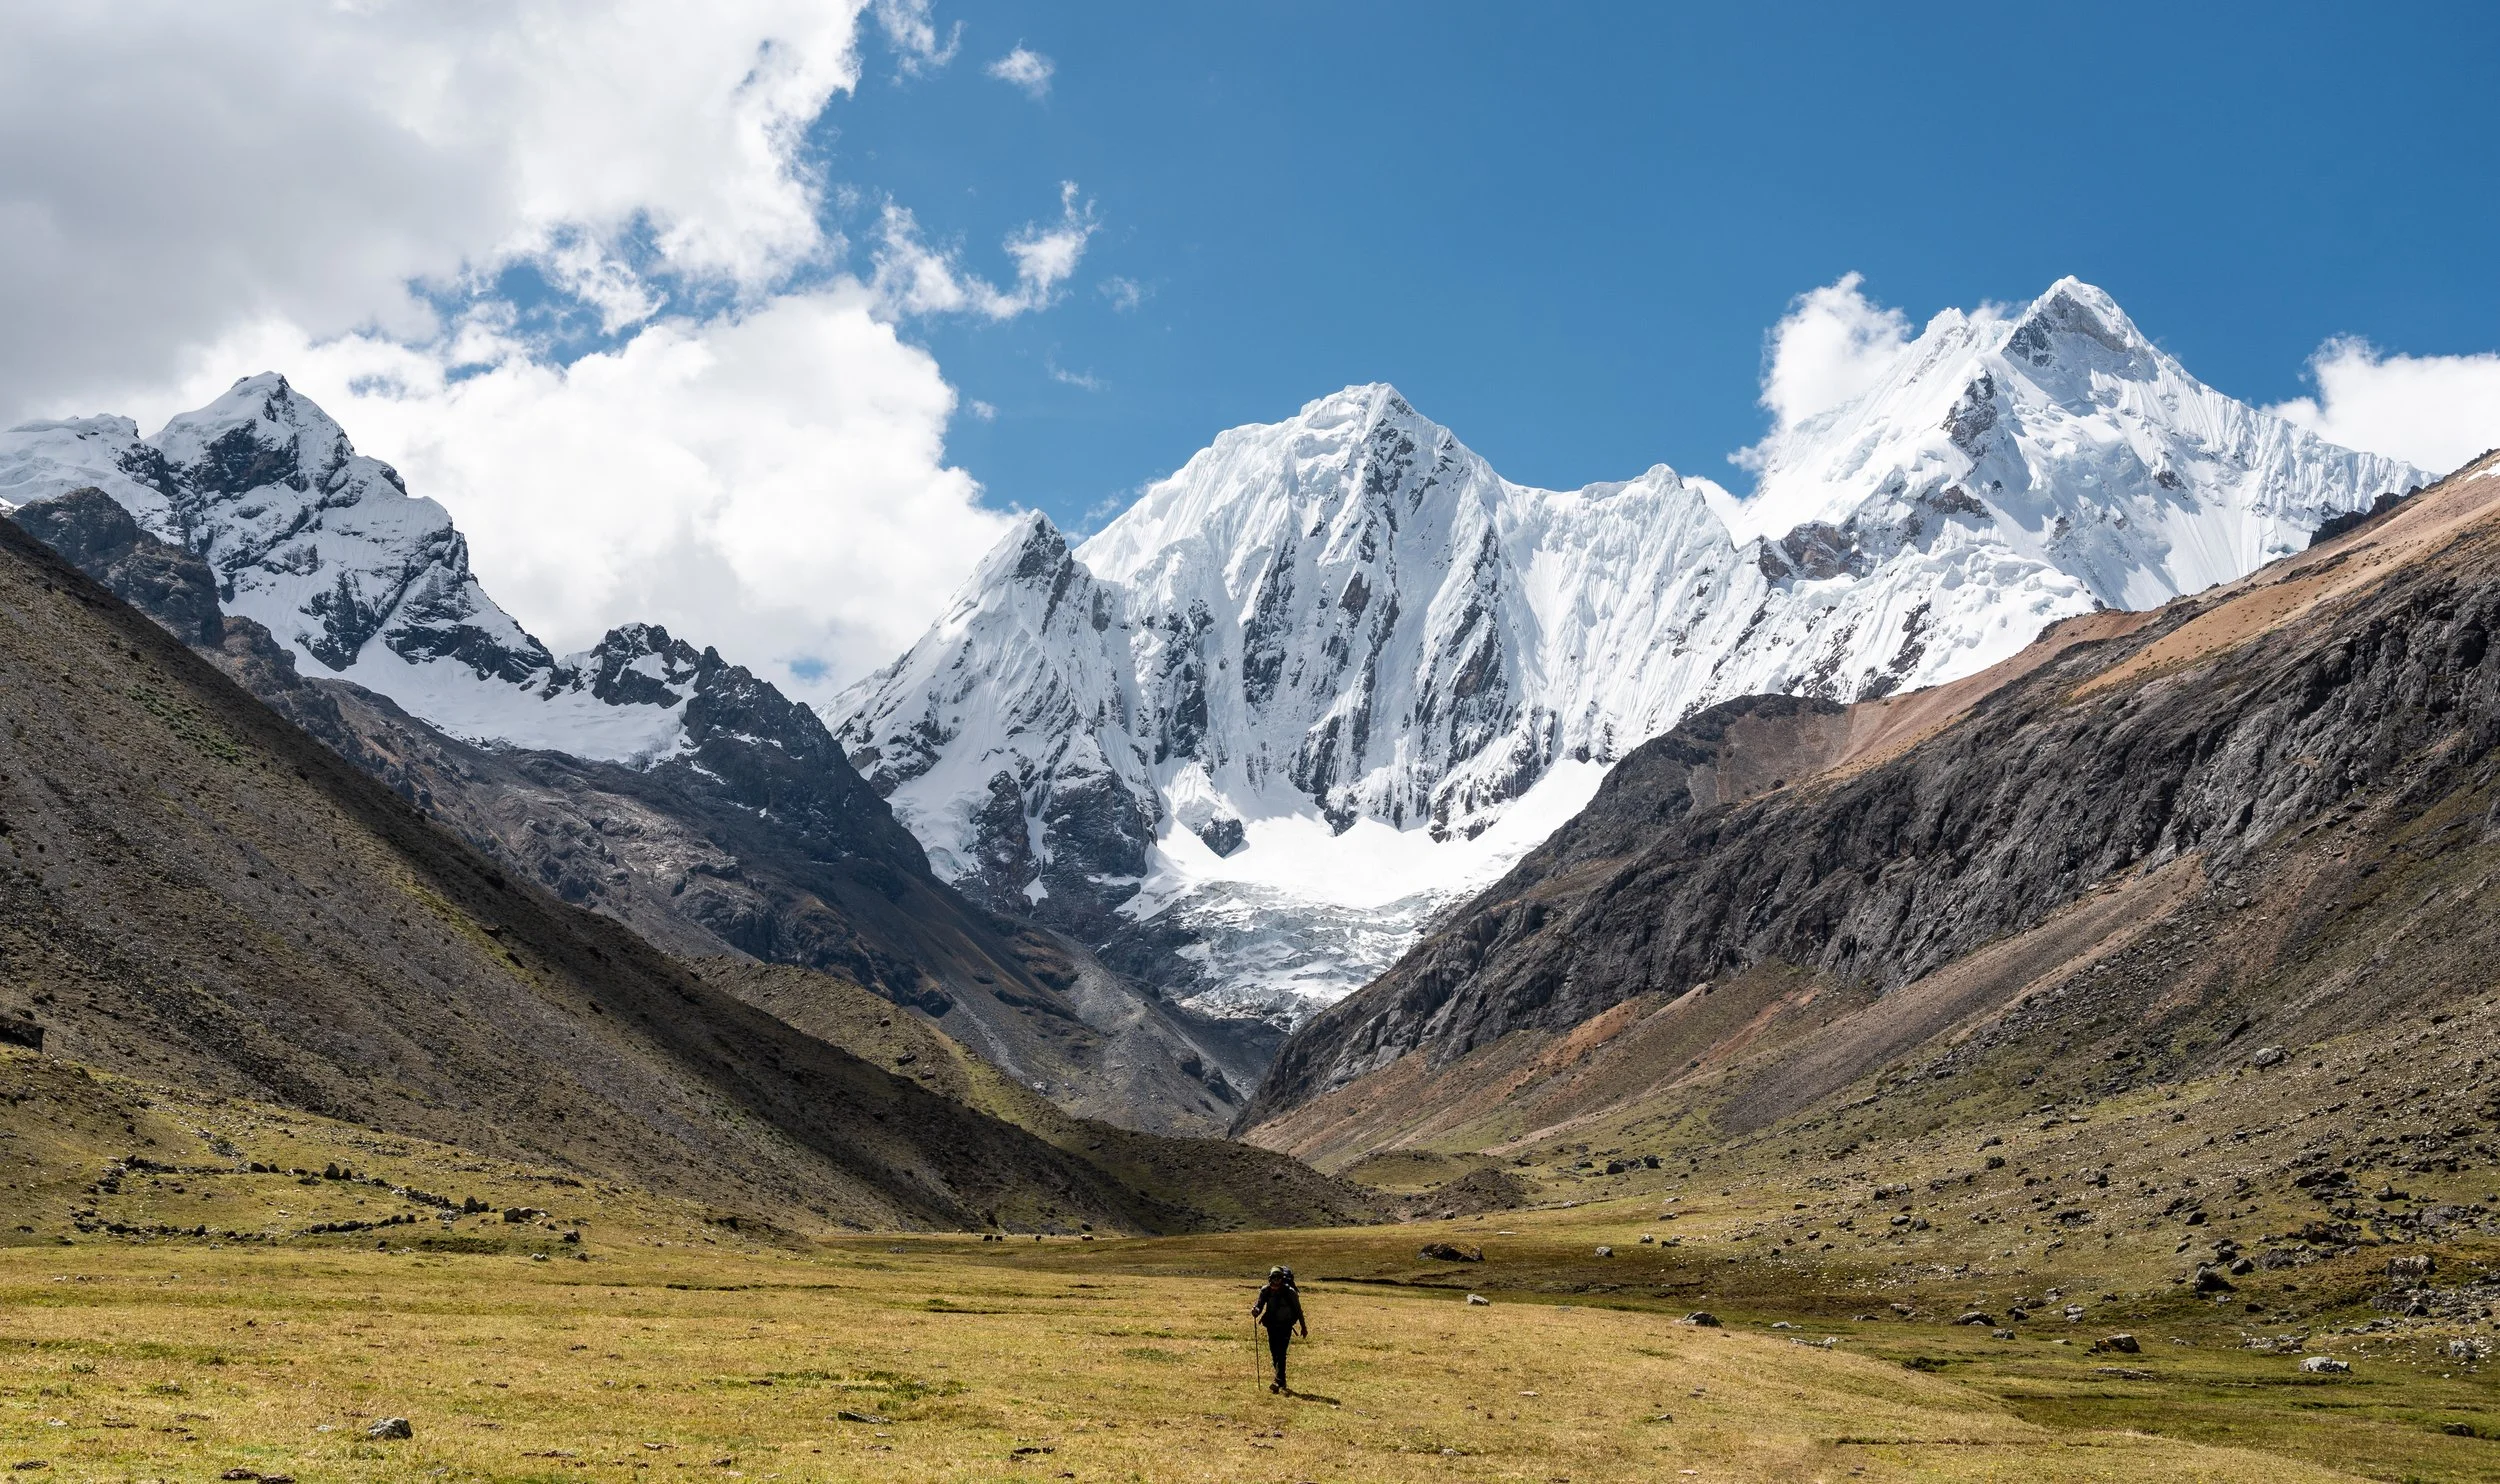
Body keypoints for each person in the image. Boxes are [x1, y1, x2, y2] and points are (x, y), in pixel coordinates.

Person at [1251, 1265, 1307, 1393]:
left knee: (1281, 1353)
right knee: (1274, 1353)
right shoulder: (1266, 1291)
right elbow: (1259, 1305)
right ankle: (1282, 1381)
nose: (1276, 1282)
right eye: (1274, 1279)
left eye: (1279, 1279)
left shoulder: (1290, 1292)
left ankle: (1277, 1381)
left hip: (1286, 1326)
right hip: (1271, 1326)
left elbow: (1298, 1311)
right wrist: (1255, 1311)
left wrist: (1303, 1327)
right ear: (1270, 1279)